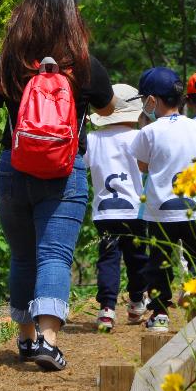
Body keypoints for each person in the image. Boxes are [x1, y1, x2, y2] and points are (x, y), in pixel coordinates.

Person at [0, 0, 116, 371]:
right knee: (54, 254)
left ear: (26, 15)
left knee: (23, 255)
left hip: (14, 170)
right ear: (71, 18)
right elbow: (107, 108)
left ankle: (26, 338)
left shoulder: (9, 62)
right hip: (65, 172)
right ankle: (49, 342)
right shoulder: (84, 64)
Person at [127, 67, 196, 332]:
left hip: (160, 212)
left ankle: (159, 313)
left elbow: (143, 166)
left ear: (152, 101)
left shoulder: (150, 132)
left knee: (158, 263)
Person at [85, 83, 151, 332]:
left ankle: (106, 310)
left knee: (108, 259)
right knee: (137, 259)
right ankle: (136, 303)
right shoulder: (140, 136)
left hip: (104, 211)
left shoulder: (92, 139)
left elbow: (82, 164)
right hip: (135, 210)